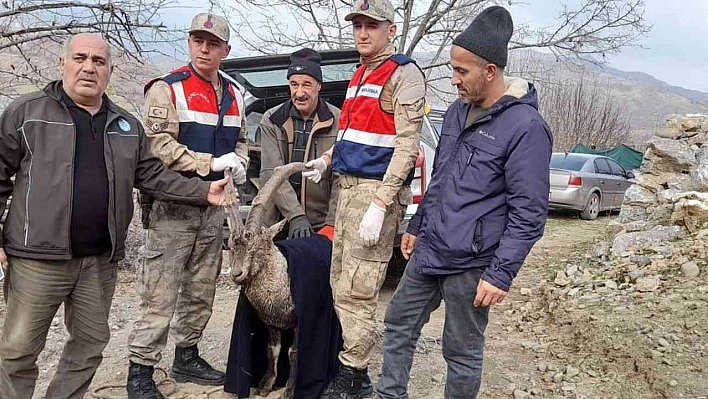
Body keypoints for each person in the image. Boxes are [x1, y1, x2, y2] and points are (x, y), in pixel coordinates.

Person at [0, 33, 230, 399]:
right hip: (36, 259)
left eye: (98, 61)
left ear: (109, 70)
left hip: (99, 262)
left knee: (88, 349)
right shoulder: (27, 113)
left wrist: (204, 191)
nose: (88, 67)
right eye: (80, 58)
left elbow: (153, 175)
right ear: (63, 63)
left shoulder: (125, 126)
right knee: (18, 352)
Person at [375, 6, 553, 399]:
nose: (453, 80)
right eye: (453, 70)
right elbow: (442, 177)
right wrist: (418, 226)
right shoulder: (457, 112)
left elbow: (530, 214)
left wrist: (500, 273)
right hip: (430, 249)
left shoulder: (526, 127)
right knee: (398, 323)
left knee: (462, 351)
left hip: (473, 263)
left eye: (462, 72)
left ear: (490, 71)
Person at [302, 0, 426, 396]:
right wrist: (326, 160)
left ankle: (354, 375)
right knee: (340, 281)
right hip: (346, 189)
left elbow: (408, 148)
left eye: (371, 25)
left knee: (359, 286)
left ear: (390, 30)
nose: (362, 32)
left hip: (373, 193)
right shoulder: (360, 73)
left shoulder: (403, 75)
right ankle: (349, 363)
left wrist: (380, 203)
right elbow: (351, 135)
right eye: (357, 25)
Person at [126, 13, 248, 398]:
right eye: (198, 40)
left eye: (212, 43)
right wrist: (208, 164)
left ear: (225, 50)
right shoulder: (168, 89)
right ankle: (140, 369)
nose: (204, 49)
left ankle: (187, 354)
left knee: (201, 287)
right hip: (173, 206)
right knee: (160, 291)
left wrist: (239, 162)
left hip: (214, 210)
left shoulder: (234, 94)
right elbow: (159, 146)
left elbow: (241, 138)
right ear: (189, 43)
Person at [258, 48, 340, 240]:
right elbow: (272, 173)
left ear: (319, 85)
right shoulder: (271, 119)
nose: (300, 93)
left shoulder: (339, 119)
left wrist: (332, 223)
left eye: (307, 85)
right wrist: (296, 216)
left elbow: (340, 179)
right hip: (277, 222)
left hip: (322, 223)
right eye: (294, 85)